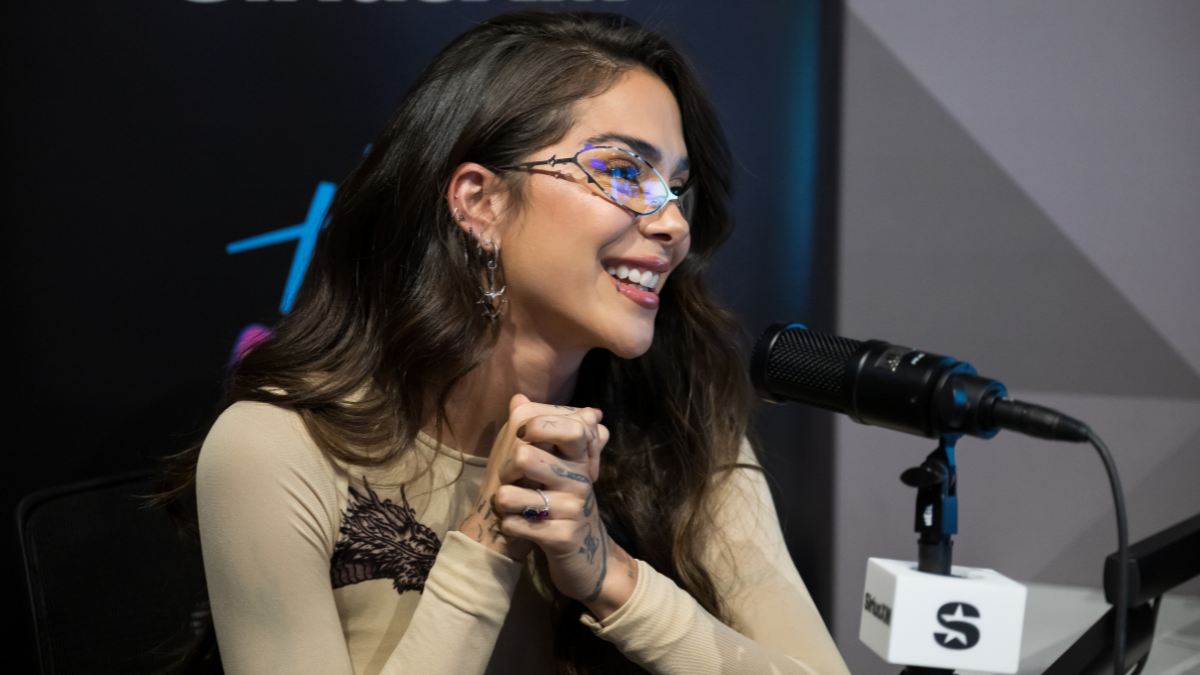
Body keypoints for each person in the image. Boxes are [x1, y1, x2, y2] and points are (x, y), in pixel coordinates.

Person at [157, 11, 850, 675]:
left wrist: (611, 577)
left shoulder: (686, 434)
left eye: (674, 187)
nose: (673, 223)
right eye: (622, 172)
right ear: (479, 202)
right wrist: (488, 542)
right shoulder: (276, 445)